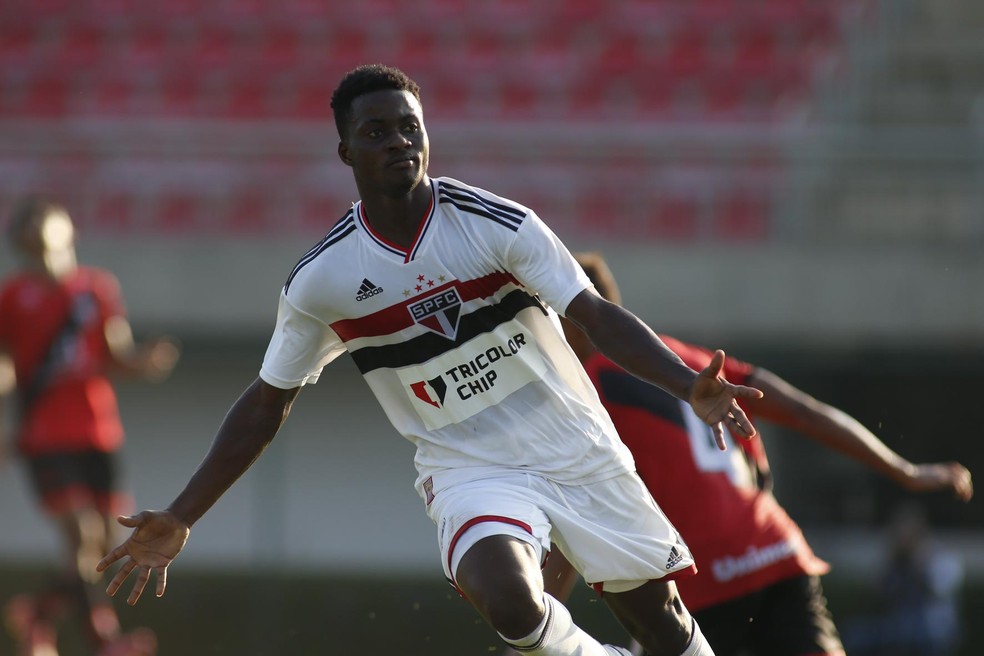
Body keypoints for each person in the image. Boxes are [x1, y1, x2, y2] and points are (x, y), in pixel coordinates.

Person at [95, 64, 767, 656]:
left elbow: (595, 314)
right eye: (378, 131)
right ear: (346, 150)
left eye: (410, 127)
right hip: (468, 465)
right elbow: (268, 402)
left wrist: (687, 384)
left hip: (579, 448)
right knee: (508, 601)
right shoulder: (322, 280)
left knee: (665, 633)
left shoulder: (494, 224)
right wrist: (184, 513)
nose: (399, 142)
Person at [531, 251, 973, 656]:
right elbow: (805, 412)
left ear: (571, 314)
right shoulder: (680, 356)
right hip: (775, 551)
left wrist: (536, 624)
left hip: (705, 577)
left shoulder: (584, 389)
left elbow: (580, 509)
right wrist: (905, 470)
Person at [0, 196, 180, 656]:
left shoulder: (95, 289)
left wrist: (145, 363)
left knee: (104, 541)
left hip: (96, 431)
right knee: (79, 534)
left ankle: (37, 615)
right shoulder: (13, 296)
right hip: (43, 435)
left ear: (67, 233)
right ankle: (105, 640)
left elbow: (114, 354)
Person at [840, 501, 965, 656]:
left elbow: (939, 588)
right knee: (855, 635)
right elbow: (878, 591)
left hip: (932, 628)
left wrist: (919, 560)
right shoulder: (895, 560)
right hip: (899, 626)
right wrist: (890, 562)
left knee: (918, 632)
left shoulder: (938, 556)